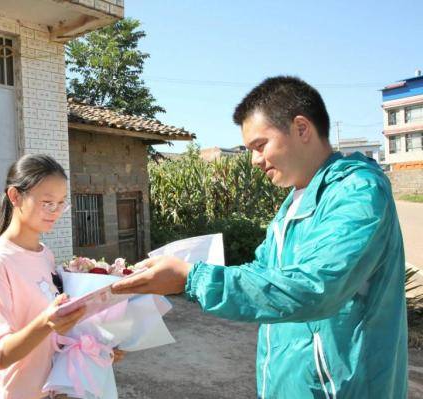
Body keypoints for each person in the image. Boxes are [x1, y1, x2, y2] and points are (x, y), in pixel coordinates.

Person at [112, 76, 408, 398]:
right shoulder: (293, 203)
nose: (253, 160)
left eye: (259, 145)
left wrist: (192, 279)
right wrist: (180, 272)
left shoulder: (357, 193)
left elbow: (314, 288)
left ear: (301, 128)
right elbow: (264, 276)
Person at [0, 154, 124, 399]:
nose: (55, 212)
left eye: (61, 203)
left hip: (54, 387)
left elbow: (56, 330)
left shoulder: (45, 255)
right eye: (47, 202)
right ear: (15, 196)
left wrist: (97, 346)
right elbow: (0, 355)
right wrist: (47, 322)